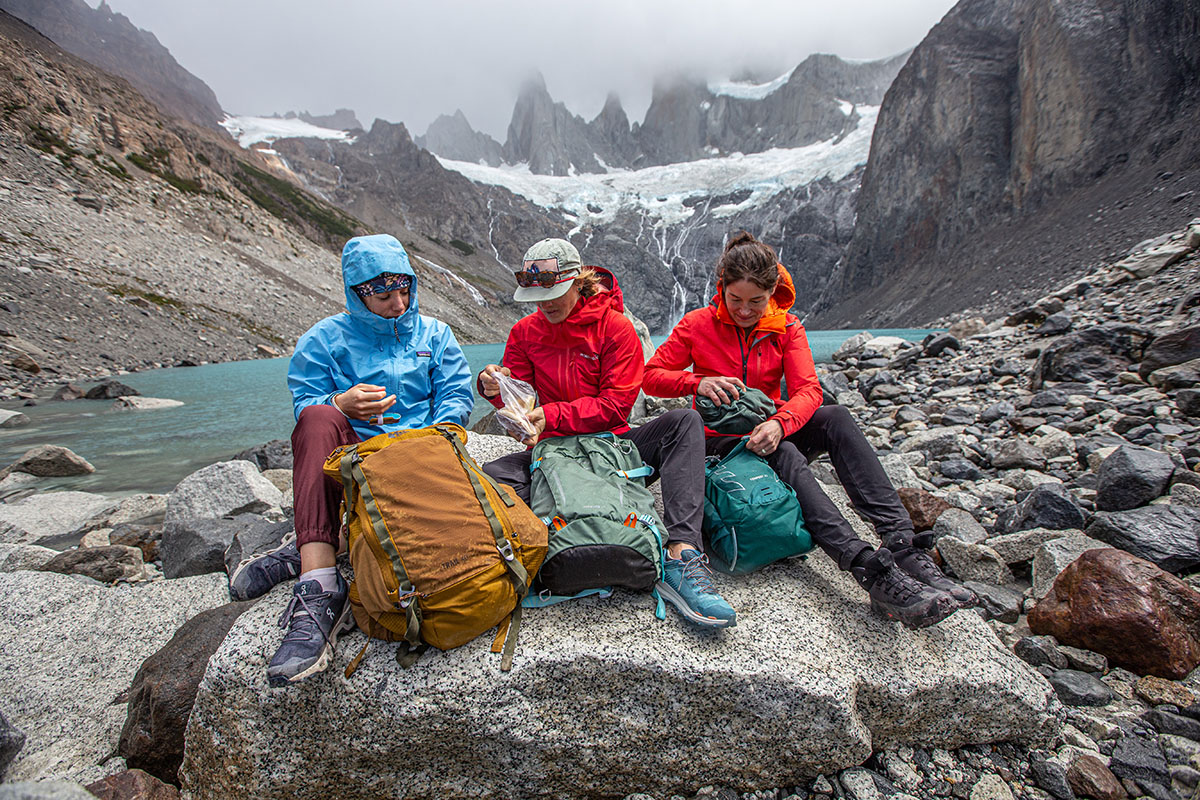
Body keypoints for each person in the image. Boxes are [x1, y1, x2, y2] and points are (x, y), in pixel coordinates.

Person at [642, 231, 975, 629]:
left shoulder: (787, 327)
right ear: (721, 289)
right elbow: (651, 376)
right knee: (785, 455)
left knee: (835, 417)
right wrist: (696, 383)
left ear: (772, 292)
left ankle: (902, 544)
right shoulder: (698, 324)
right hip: (721, 444)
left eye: (755, 301)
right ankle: (865, 567)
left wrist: (780, 423)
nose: (744, 310)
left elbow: (809, 391)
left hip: (769, 430)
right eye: (735, 300)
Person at [229, 233, 474, 686]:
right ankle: (321, 584)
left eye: (405, 291)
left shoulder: (436, 335)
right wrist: (340, 404)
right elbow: (306, 404)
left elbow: (456, 396)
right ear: (358, 293)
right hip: (351, 467)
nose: (398, 304)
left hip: (418, 461)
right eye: (383, 296)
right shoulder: (324, 340)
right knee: (319, 419)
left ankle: (317, 542)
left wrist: (435, 436)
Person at [478, 237, 736, 629]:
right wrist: (494, 389)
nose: (545, 304)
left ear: (577, 281)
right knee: (490, 478)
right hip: (556, 453)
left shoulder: (615, 328)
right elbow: (519, 399)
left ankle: (681, 552)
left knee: (684, 422)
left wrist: (552, 415)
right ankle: (534, 549)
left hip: (614, 447)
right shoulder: (524, 332)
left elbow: (616, 406)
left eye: (554, 293)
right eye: (537, 297)